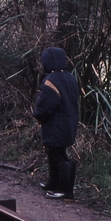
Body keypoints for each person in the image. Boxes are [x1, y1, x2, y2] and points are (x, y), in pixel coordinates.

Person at [33, 47, 79, 200]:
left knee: (59, 155)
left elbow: (47, 104)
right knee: (54, 153)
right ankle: (54, 183)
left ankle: (66, 191)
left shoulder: (51, 80)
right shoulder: (70, 77)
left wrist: (37, 115)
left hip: (56, 124)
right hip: (70, 122)